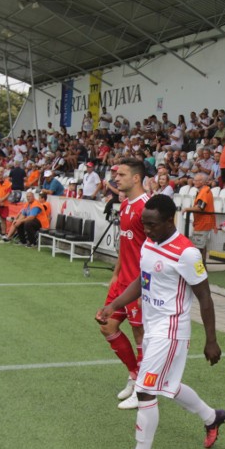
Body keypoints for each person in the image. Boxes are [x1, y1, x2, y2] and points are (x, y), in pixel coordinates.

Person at [98, 194, 225, 449]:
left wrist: (211, 340)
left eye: (153, 225)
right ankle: (211, 416)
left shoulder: (187, 253)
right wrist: (114, 305)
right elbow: (142, 282)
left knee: (145, 389)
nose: (148, 230)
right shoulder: (148, 243)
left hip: (171, 330)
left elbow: (205, 298)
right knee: (169, 385)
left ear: (170, 220)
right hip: (153, 326)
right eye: (144, 224)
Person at [100, 158, 150, 410]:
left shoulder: (147, 207)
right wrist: (115, 274)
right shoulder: (125, 205)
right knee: (106, 325)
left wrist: (146, 286)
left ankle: (142, 389)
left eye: (121, 174)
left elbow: (157, 250)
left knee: (140, 333)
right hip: (123, 282)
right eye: (115, 174)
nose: (116, 178)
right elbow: (126, 246)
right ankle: (134, 375)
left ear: (136, 178)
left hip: (139, 285)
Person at [183, 173, 216, 261]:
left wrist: (187, 209)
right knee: (201, 245)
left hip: (203, 222)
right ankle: (202, 266)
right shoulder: (203, 191)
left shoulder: (204, 192)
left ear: (202, 182)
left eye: (197, 180)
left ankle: (199, 267)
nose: (194, 182)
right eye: (194, 180)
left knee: (198, 246)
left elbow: (200, 207)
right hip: (202, 222)